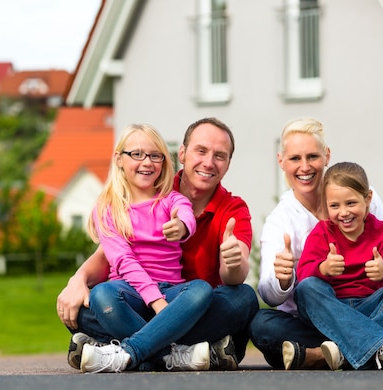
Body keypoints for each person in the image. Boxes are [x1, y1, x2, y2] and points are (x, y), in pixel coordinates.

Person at [57, 117, 259, 372]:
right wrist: (79, 279)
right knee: (90, 304)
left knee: (243, 298)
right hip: (137, 299)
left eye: (220, 156)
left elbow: (235, 273)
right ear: (182, 153)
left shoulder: (225, 207)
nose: (208, 162)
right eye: (201, 151)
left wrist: (233, 260)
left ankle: (122, 350)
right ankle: (178, 355)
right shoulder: (151, 187)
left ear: (228, 164)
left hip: (189, 305)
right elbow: (112, 255)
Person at [249, 117, 383, 370]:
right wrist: (284, 277)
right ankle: (381, 348)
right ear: (281, 161)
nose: (305, 166)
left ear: (326, 156)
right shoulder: (283, 220)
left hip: (372, 302)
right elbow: (272, 294)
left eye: (312, 156)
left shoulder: (362, 193)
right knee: (264, 323)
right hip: (321, 316)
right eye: (295, 159)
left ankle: (328, 354)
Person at [76, 123, 213, 373]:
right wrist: (159, 305)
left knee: (201, 290)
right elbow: (123, 261)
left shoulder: (171, 199)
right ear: (119, 159)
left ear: (163, 161)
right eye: (137, 154)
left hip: (170, 290)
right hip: (128, 293)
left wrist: (182, 226)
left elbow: (185, 214)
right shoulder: (107, 209)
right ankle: (172, 354)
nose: (147, 162)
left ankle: (128, 354)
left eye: (155, 155)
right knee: (100, 296)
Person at [296, 161, 383, 370]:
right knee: (307, 289)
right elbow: (303, 273)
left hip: (373, 304)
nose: (343, 212)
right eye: (334, 206)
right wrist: (323, 269)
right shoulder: (322, 232)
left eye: (351, 203)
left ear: (367, 199)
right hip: (334, 308)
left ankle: (347, 350)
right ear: (326, 205)